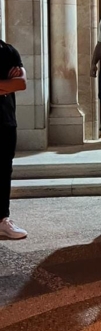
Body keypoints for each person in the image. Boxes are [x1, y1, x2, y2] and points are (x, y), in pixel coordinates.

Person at [0, 40, 28, 239]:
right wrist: (5, 85)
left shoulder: (7, 51)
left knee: (2, 171)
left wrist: (12, 85)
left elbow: (21, 83)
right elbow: (11, 84)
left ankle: (2, 220)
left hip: (4, 120)